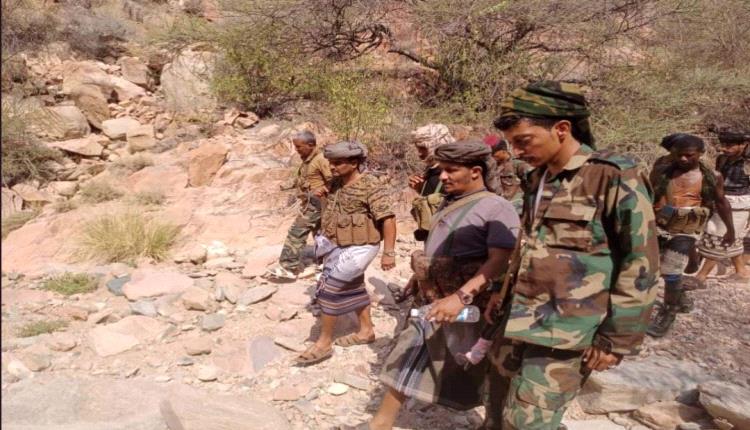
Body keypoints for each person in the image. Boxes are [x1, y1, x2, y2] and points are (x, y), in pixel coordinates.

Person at [487, 81, 659, 430]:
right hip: (517, 318)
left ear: (562, 129)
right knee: (496, 406)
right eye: (512, 143)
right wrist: (500, 293)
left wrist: (617, 339)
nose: (517, 151)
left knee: (529, 422)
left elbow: (640, 262)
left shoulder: (613, 176)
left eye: (524, 141)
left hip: (567, 330)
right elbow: (529, 245)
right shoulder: (536, 178)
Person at [371, 140, 520, 430]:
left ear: (475, 171)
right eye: (442, 170)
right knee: (410, 349)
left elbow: (500, 259)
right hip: (433, 298)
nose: (443, 176)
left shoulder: (496, 207)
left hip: (469, 305)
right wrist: (420, 276)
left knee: (481, 368)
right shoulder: (450, 201)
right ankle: (380, 423)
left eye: (451, 170)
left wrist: (461, 297)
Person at [295, 141, 397, 365]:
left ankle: (324, 342)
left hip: (362, 247)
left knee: (329, 289)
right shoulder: (335, 183)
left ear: (354, 163)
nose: (332, 167)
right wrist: (321, 197)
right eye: (331, 162)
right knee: (353, 285)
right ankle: (366, 331)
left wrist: (389, 252)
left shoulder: (371, 185)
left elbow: (388, 219)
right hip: (337, 245)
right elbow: (332, 211)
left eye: (338, 163)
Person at [647, 133, 736, 337]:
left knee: (671, 269)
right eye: (679, 154)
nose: (683, 159)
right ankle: (681, 298)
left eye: (689, 155)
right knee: (653, 266)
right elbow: (649, 195)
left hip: (687, 228)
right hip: (660, 224)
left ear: (701, 153)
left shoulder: (711, 176)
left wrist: (730, 231)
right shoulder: (662, 172)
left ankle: (668, 313)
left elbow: (721, 202)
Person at [268, 131, 332, 280]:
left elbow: (334, 179)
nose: (297, 150)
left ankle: (288, 267)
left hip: (317, 204)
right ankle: (325, 264)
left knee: (297, 232)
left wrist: (323, 189)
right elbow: (305, 178)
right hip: (312, 202)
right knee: (320, 234)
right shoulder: (308, 160)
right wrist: (286, 185)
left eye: (299, 147)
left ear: (310, 145)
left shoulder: (321, 159)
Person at [693, 131, 750, 283]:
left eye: (729, 145)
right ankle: (741, 272)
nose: (725, 148)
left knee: (721, 237)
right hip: (721, 201)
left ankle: (701, 276)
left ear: (743, 145)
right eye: (723, 145)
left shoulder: (747, 163)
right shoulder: (722, 159)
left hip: (740, 204)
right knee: (731, 236)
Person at [408, 124, 455, 241]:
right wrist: (419, 188)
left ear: (436, 145)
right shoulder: (430, 170)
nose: (419, 153)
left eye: (423, 148)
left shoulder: (453, 172)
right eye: (418, 148)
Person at [485, 134, 530, 215]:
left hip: (516, 209)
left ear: (503, 151)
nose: (491, 155)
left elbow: (532, 185)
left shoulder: (519, 165)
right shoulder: (491, 167)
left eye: (493, 152)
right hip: (496, 208)